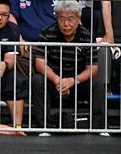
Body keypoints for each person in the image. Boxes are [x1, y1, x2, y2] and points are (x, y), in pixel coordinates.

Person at [32, 0, 105, 134]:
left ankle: (99, 127)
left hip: (78, 81)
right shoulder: (46, 33)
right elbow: (40, 64)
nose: (66, 24)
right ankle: (43, 127)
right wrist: (57, 80)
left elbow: (93, 68)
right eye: (62, 19)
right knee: (37, 80)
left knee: (98, 82)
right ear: (56, 18)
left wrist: (73, 80)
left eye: (70, 19)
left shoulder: (87, 36)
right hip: (54, 79)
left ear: (78, 19)